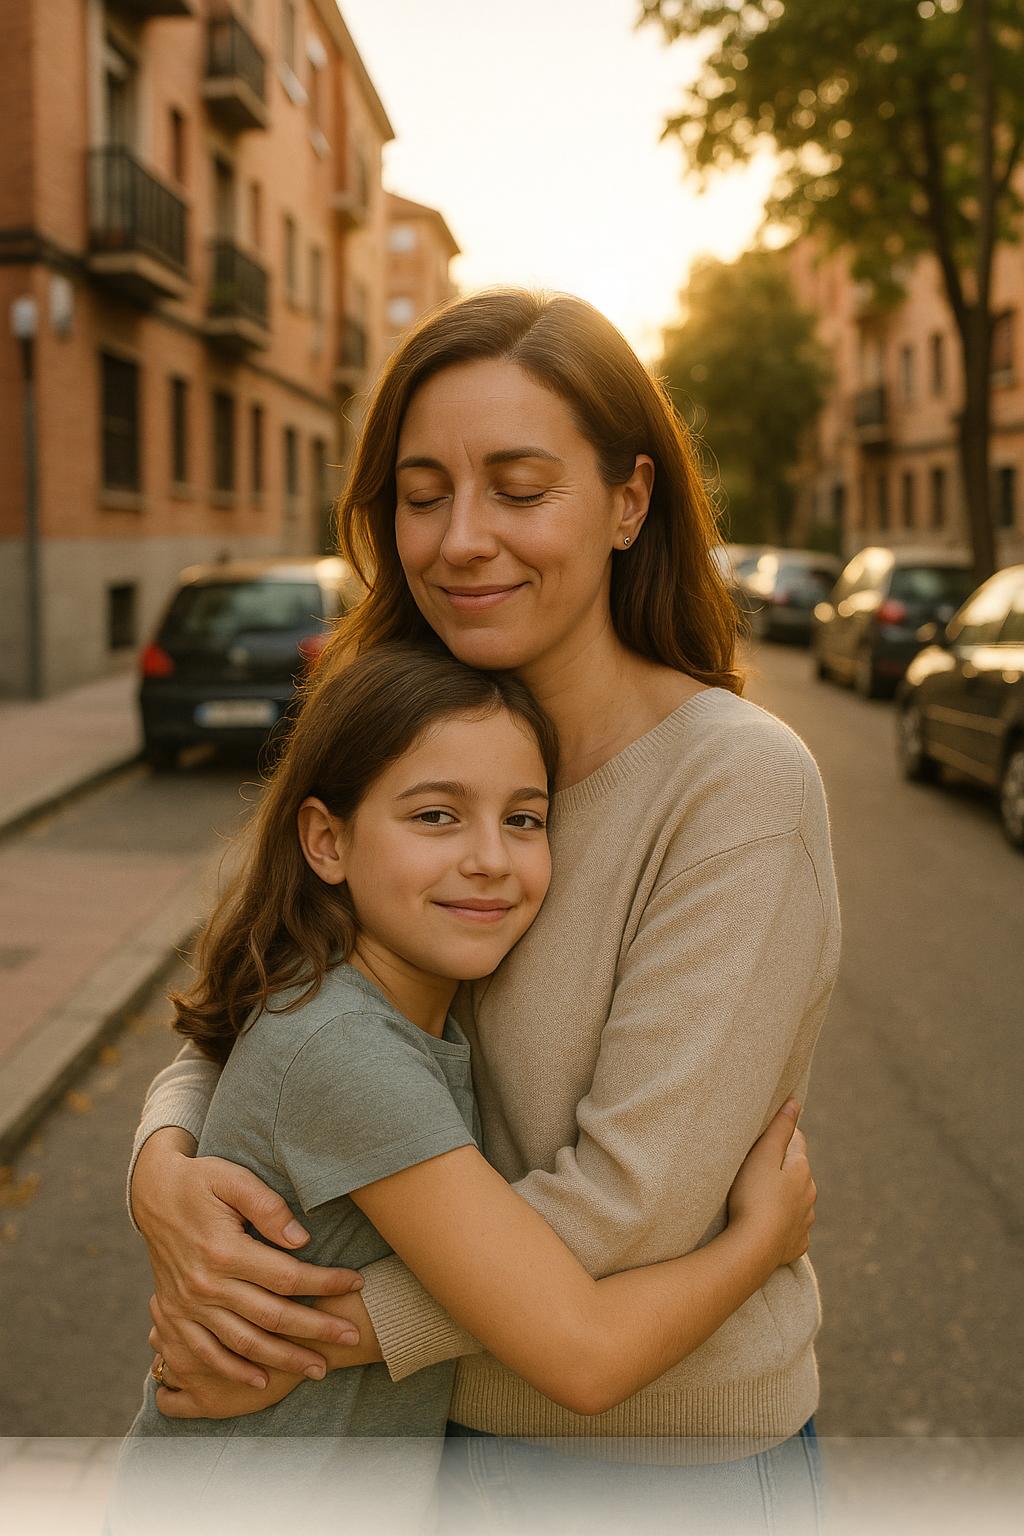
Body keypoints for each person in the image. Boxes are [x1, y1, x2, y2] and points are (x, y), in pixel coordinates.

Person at [127, 289, 840, 1523]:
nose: (461, 538)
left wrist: (324, 1327)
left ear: (628, 501)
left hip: (651, 1463)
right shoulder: (403, 725)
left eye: (518, 489)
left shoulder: (737, 783)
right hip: (407, 1447)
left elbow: (633, 1202)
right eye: (421, 494)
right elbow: (262, 992)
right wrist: (166, 1165)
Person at [125, 640, 814, 1445]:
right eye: (435, 816)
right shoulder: (347, 1049)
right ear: (327, 841)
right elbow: (584, 1357)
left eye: (524, 819)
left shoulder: (378, 1009)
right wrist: (760, 1241)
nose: (490, 860)